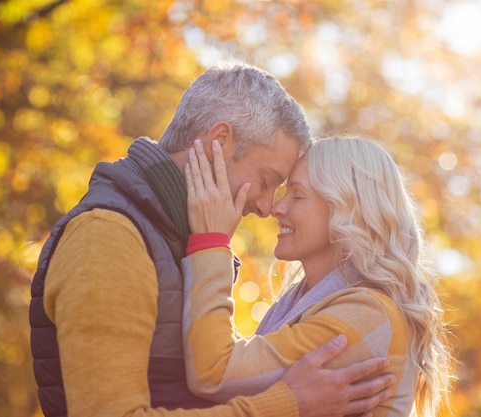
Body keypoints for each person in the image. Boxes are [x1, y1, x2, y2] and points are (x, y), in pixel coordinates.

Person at [29, 62, 395, 417]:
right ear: (219, 141)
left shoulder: (173, 243)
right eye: (267, 181)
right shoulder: (108, 236)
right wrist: (286, 406)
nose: (268, 207)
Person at [182, 135, 453, 416]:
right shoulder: (310, 303)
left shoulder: (367, 313)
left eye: (297, 195)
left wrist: (210, 242)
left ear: (348, 210)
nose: (277, 207)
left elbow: (214, 370)